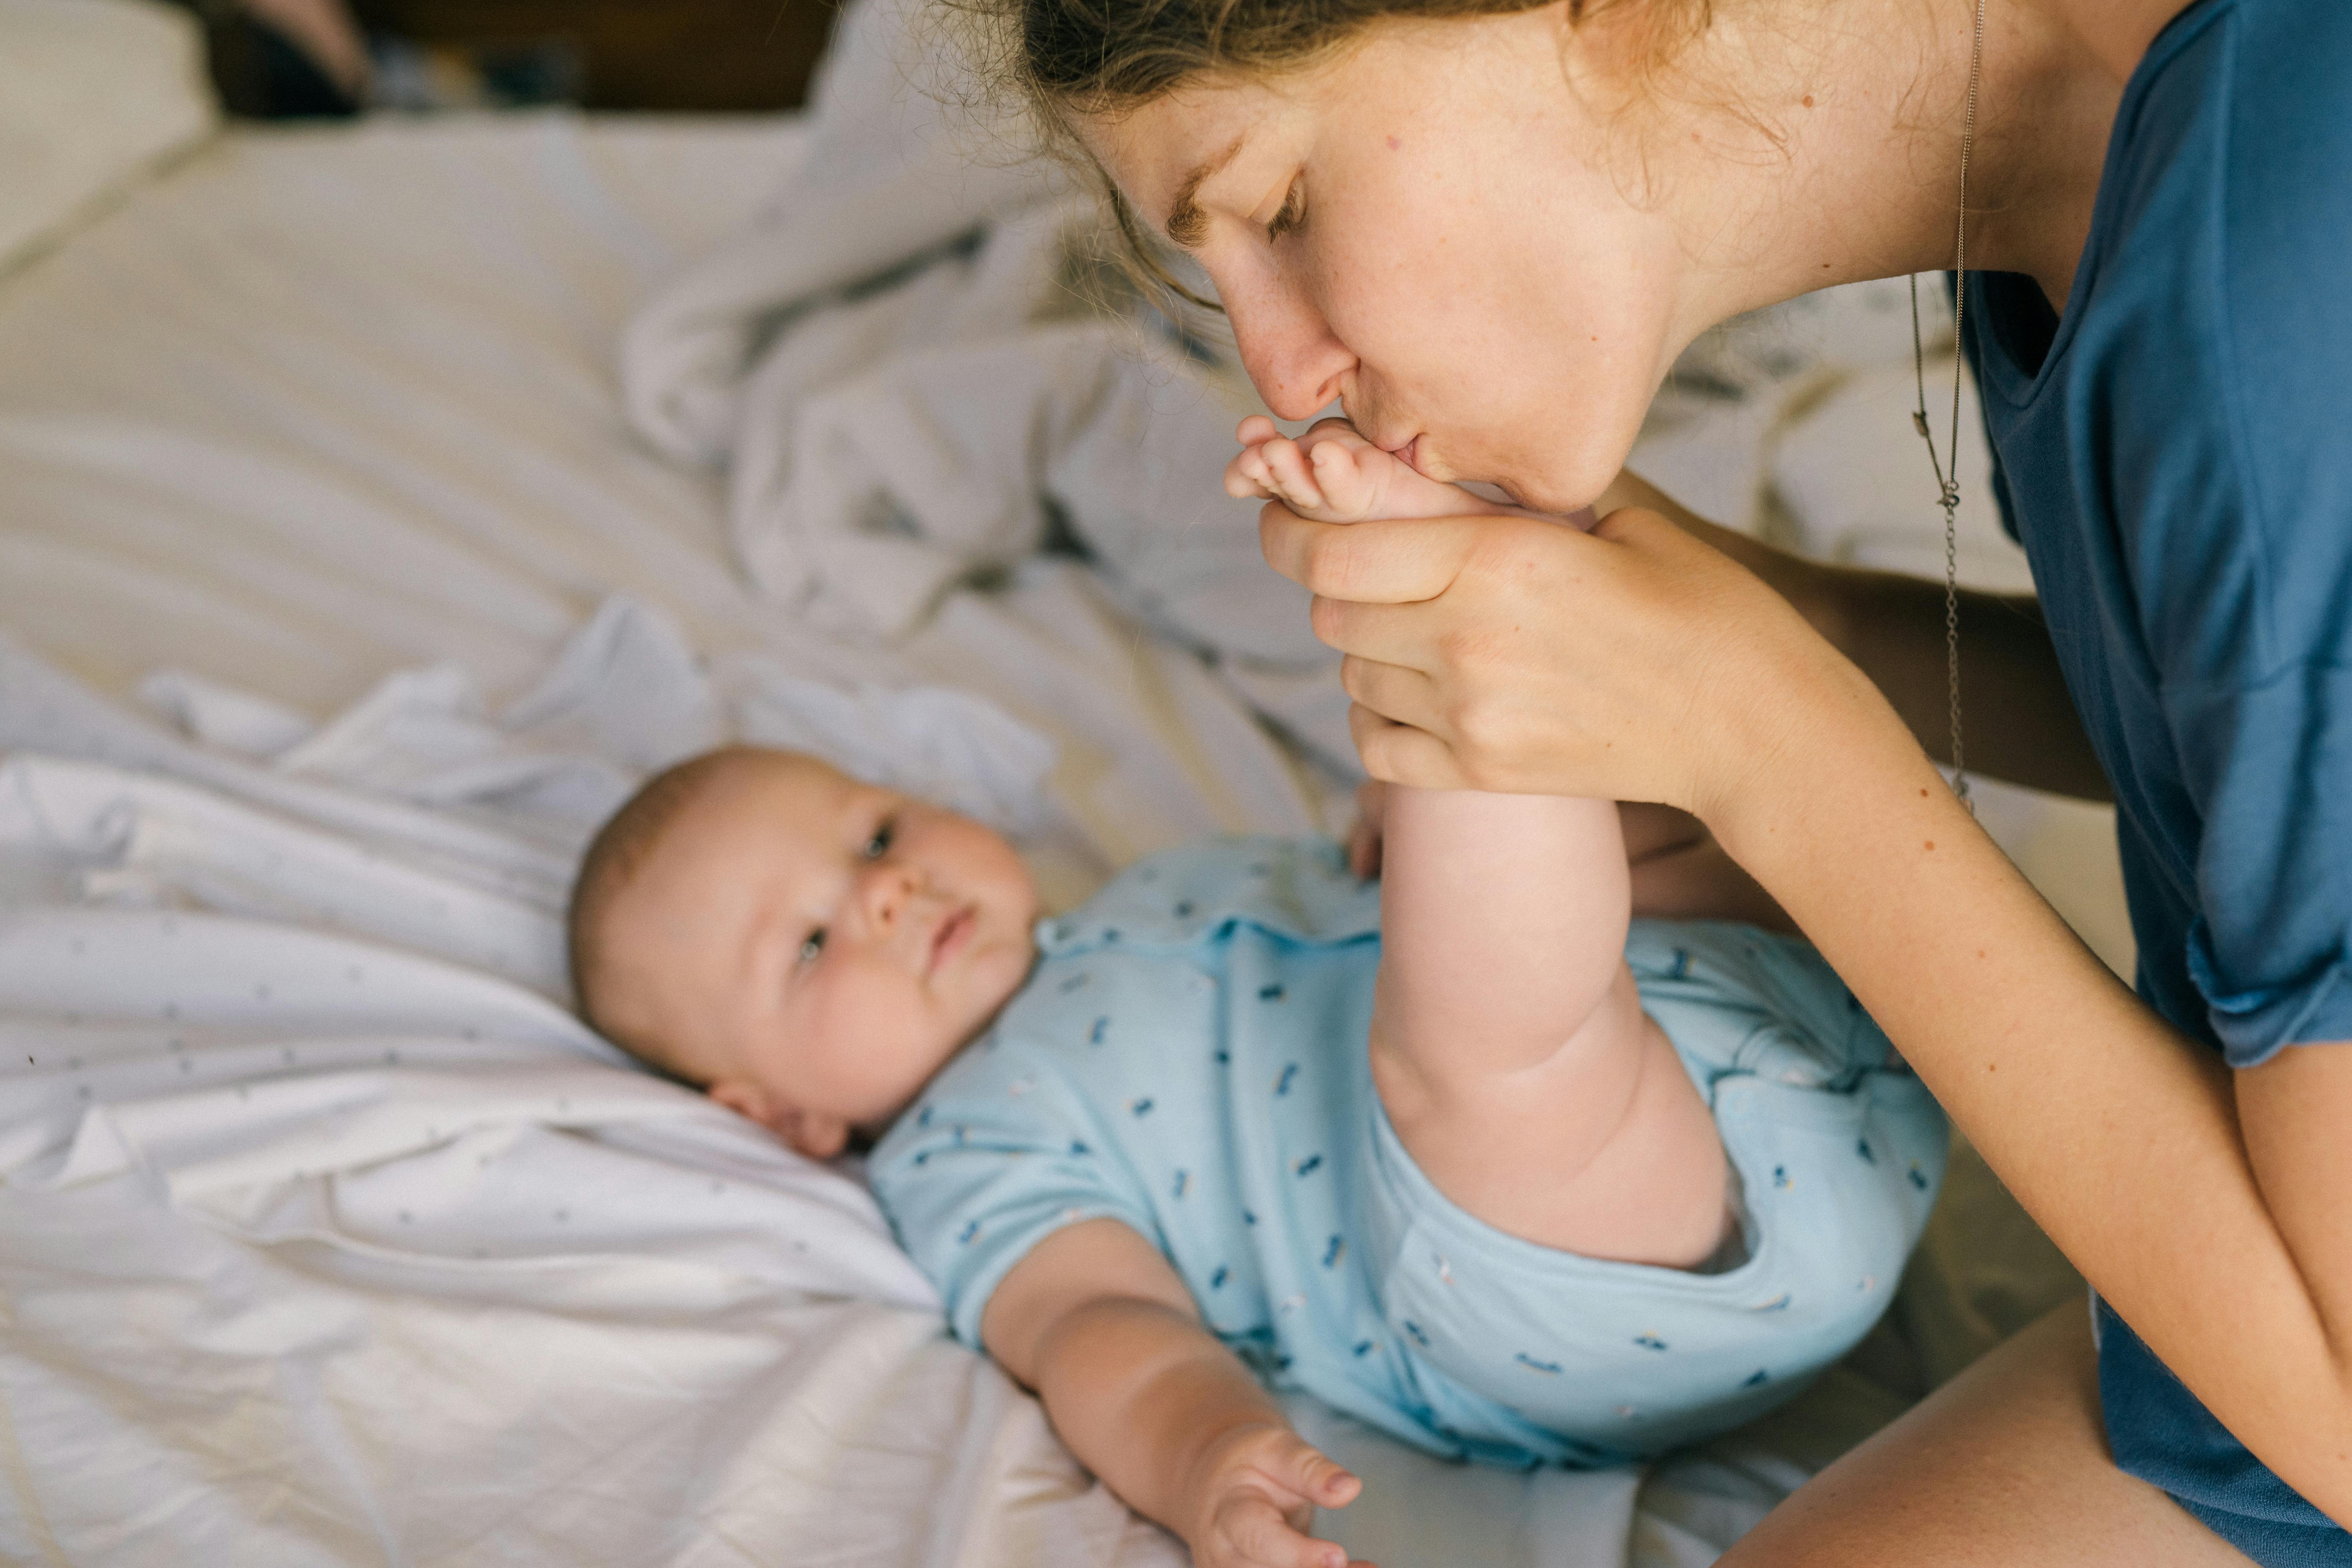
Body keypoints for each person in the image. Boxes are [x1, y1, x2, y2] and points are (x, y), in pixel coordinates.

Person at [975, 0, 2352, 1561]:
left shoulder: (2283, 292)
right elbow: (2247, 714)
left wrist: (1762, 739)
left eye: (1283, 205)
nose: (1283, 368)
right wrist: (1780, 620)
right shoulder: (2090, 178)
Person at [566, 710, 1941, 1565]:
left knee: (1633, 801)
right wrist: (1206, 1455)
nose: (885, 893)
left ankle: (1539, 773)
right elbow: (1102, 1328)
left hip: (1774, 1015)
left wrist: (1400, 843)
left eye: (873, 831)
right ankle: (1480, 733)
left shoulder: (1134, 894)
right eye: (809, 943)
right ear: (784, 1115)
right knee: (1484, 1040)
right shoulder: (962, 1154)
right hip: (1592, 1254)